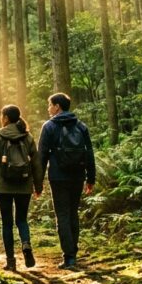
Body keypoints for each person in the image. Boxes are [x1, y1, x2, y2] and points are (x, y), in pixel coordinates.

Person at [39, 92, 96, 269]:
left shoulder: (49, 127)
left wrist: (38, 182)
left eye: (50, 105)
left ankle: (69, 257)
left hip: (58, 176)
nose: (48, 109)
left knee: (62, 215)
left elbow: (42, 156)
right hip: (78, 176)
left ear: (57, 106)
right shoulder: (81, 126)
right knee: (73, 213)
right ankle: (73, 254)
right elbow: (89, 153)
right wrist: (90, 178)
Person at [0, 104, 44, 271]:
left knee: (7, 223)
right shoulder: (27, 137)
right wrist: (38, 185)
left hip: (3, 187)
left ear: (6, 118)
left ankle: (10, 261)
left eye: (1, 115)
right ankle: (26, 244)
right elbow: (37, 164)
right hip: (24, 185)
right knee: (22, 220)